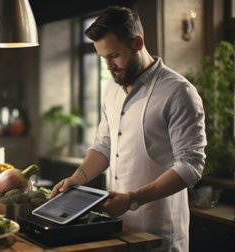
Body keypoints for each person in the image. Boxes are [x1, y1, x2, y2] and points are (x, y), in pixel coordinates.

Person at [50, 6, 206, 252]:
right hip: (118, 229)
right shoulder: (112, 88)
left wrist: (132, 200)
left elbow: (191, 166)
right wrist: (76, 178)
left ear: (137, 43)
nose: (109, 66)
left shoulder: (179, 92)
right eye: (103, 58)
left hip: (159, 232)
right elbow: (104, 145)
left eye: (114, 55)